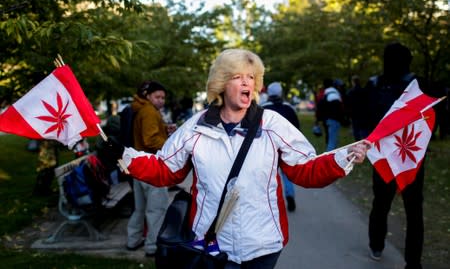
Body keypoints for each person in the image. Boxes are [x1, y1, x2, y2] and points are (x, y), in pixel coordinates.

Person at [108, 49, 370, 267]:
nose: (247, 83)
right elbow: (165, 169)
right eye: (237, 76)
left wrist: (341, 157)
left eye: (251, 77)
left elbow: (306, 169)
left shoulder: (272, 124)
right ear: (221, 84)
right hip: (211, 244)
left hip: (263, 245)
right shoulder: (196, 128)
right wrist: (124, 156)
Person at [365, 42, 424, 269]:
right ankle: (412, 261)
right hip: (408, 154)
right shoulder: (416, 85)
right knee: (411, 209)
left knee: (383, 203)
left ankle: (377, 245)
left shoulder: (377, 85)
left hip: (393, 153)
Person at [126, 80, 172, 257]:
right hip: (151, 166)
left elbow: (150, 135)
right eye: (157, 96)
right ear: (148, 96)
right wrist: (171, 145)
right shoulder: (149, 112)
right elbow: (150, 140)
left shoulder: (144, 110)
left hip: (140, 166)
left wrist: (164, 131)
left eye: (163, 97)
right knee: (156, 209)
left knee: (140, 208)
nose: (161, 100)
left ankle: (133, 240)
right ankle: (153, 247)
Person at [261, 81, 300, 212]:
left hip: (267, 147)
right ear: (281, 93)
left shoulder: (263, 108)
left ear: (269, 94)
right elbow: (297, 128)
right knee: (286, 172)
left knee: (269, 175)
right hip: (286, 146)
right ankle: (289, 195)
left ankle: (270, 202)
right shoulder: (289, 108)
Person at [315, 78, 345, 151]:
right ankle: (329, 157)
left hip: (327, 120)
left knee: (331, 139)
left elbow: (320, 107)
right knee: (332, 141)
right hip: (334, 120)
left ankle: (332, 156)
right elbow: (338, 110)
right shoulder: (334, 95)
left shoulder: (325, 94)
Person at [346, 75, 369, 141]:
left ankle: (358, 143)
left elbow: (348, 104)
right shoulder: (364, 91)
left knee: (356, 131)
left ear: (353, 82)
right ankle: (365, 143)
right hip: (363, 113)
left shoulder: (350, 92)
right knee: (364, 131)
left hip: (354, 114)